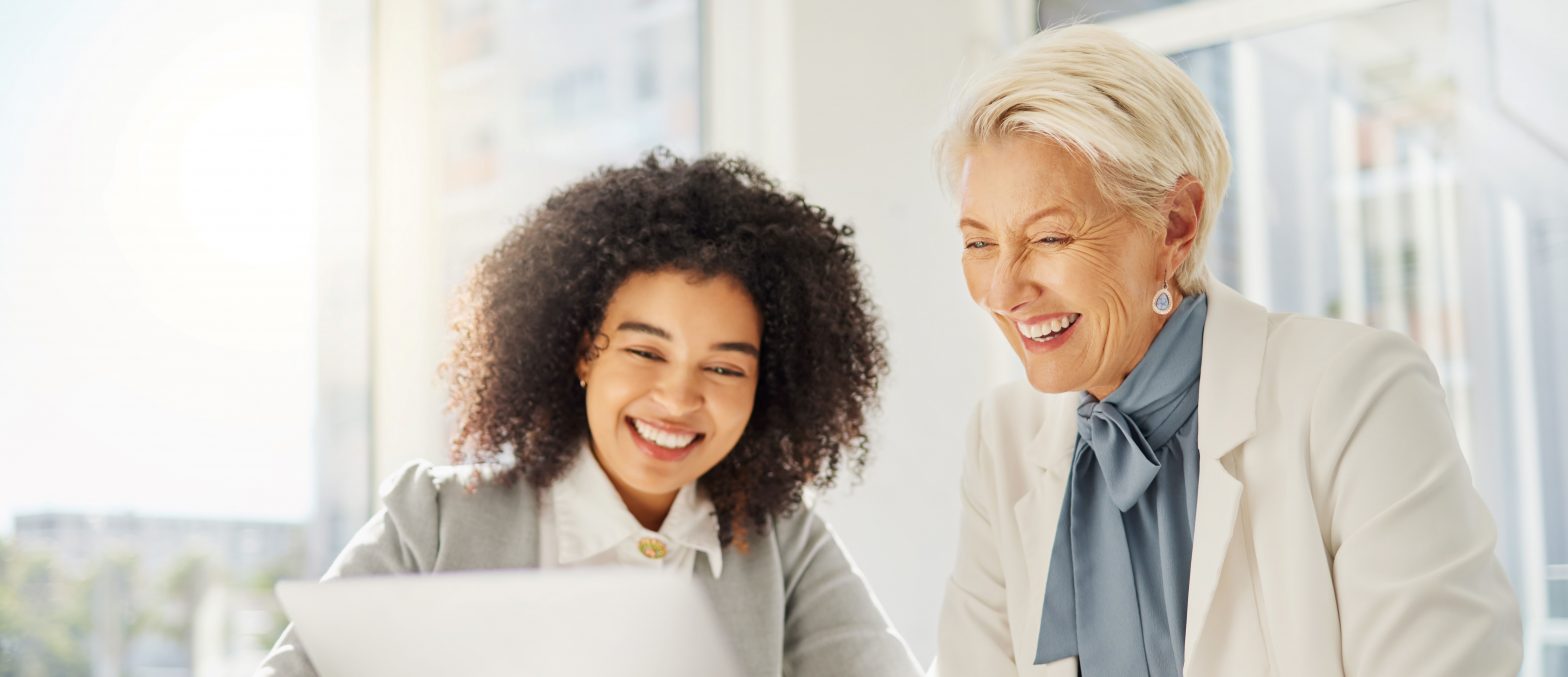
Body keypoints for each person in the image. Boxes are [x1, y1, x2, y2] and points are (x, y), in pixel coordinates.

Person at [932, 24, 1522, 677]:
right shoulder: (1002, 440)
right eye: (979, 243)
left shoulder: (1357, 392)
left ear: (1175, 224)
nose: (1004, 289)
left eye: (1050, 238)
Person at [257, 151, 922, 676]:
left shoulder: (783, 544)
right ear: (582, 353)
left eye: (724, 367)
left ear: (768, 385)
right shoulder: (433, 520)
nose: (678, 397)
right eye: (644, 351)